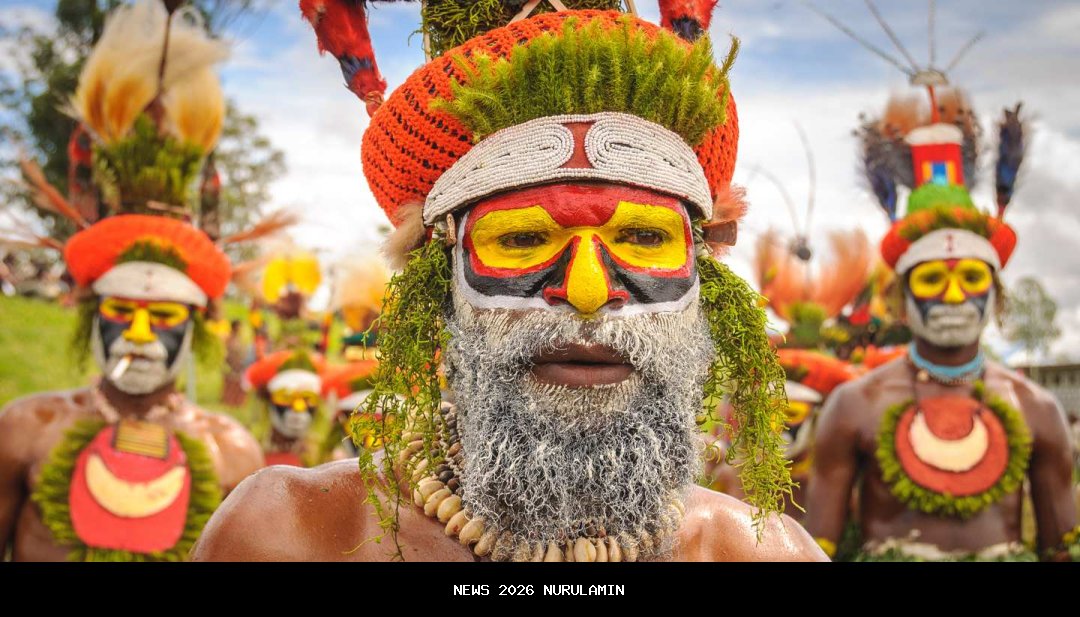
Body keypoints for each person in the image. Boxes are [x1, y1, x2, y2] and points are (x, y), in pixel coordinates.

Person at [193, 3, 824, 562]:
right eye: (522, 239)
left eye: (644, 239)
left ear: (701, 282)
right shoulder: (293, 535)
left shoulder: (760, 554)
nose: (586, 290)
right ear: (442, 284)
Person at [0, 0, 263, 561]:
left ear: (196, 324)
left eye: (164, 316)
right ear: (92, 314)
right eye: (122, 311)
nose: (140, 335)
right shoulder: (27, 427)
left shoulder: (233, 452)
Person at [805, 85, 1077, 561]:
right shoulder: (852, 407)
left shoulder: (1037, 409)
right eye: (932, 279)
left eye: (971, 277)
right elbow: (814, 553)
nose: (954, 297)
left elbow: (1063, 551)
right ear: (901, 296)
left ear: (995, 293)